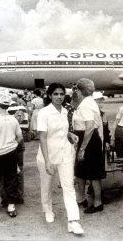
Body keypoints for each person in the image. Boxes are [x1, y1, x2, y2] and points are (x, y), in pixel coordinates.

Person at [36, 83, 83, 234]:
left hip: (66, 154)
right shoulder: (44, 113)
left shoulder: (65, 111)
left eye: (61, 94)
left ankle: (73, 221)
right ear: (49, 96)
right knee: (47, 185)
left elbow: (64, 131)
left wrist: (71, 135)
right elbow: (42, 138)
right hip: (47, 156)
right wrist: (48, 161)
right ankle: (48, 210)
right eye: (55, 94)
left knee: (68, 186)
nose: (59, 97)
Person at [73, 78, 106, 214]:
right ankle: (81, 199)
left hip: (88, 140)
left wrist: (82, 148)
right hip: (86, 139)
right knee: (82, 172)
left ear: (80, 90)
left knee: (93, 174)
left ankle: (98, 203)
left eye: (77, 89)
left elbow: (90, 127)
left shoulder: (86, 104)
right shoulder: (88, 102)